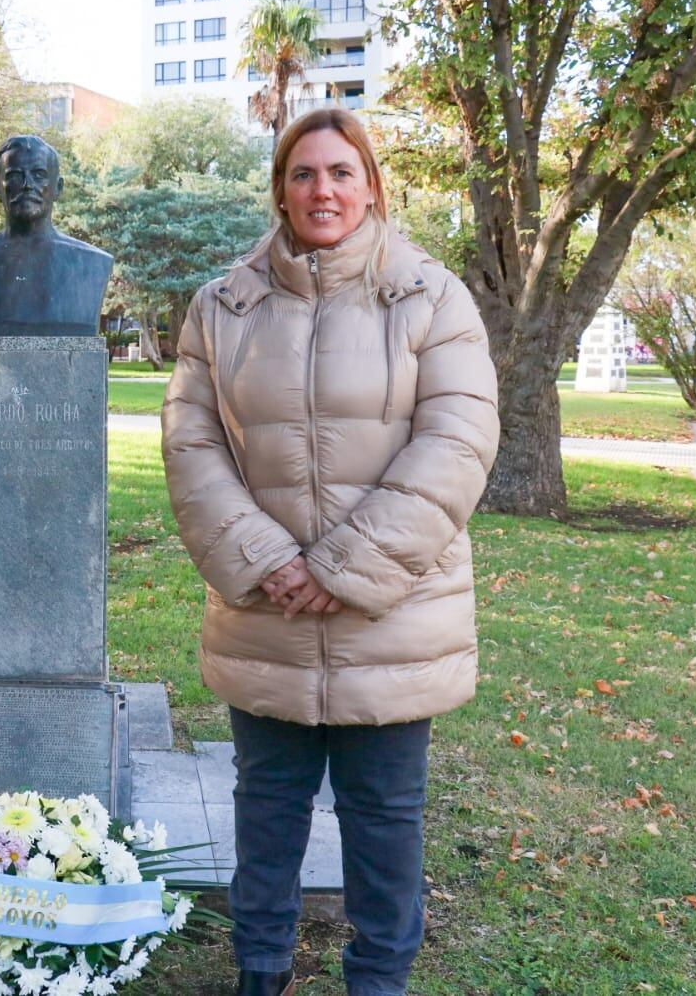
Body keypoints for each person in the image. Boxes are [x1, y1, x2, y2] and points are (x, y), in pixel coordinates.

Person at [161, 109, 499, 996]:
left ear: (370, 185)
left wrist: (340, 570)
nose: (322, 190)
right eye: (304, 173)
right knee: (265, 810)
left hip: (388, 614)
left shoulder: (431, 296)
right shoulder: (223, 304)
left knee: (383, 817)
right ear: (280, 187)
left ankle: (378, 980)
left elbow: (457, 442)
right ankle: (260, 971)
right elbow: (190, 445)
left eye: (341, 173)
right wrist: (269, 560)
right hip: (263, 606)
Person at [0, 134, 112, 336]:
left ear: (57, 188)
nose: (27, 184)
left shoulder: (91, 264)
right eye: (14, 175)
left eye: (39, 174)